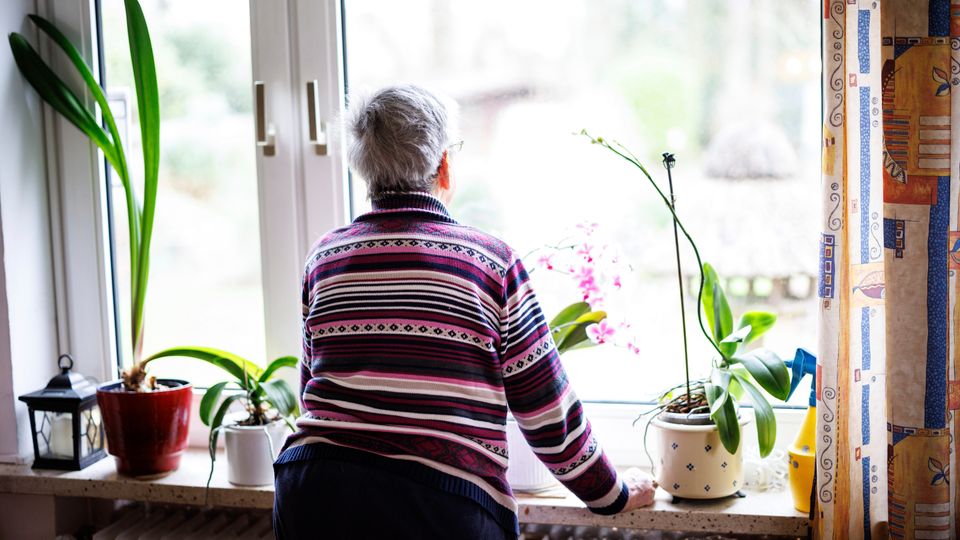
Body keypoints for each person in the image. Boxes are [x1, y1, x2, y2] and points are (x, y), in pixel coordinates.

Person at [272, 84, 656, 540]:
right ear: (445, 166)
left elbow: (311, 386)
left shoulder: (324, 258)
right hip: (435, 503)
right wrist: (612, 494)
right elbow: (546, 410)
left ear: (364, 169)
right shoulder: (489, 263)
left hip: (310, 489)